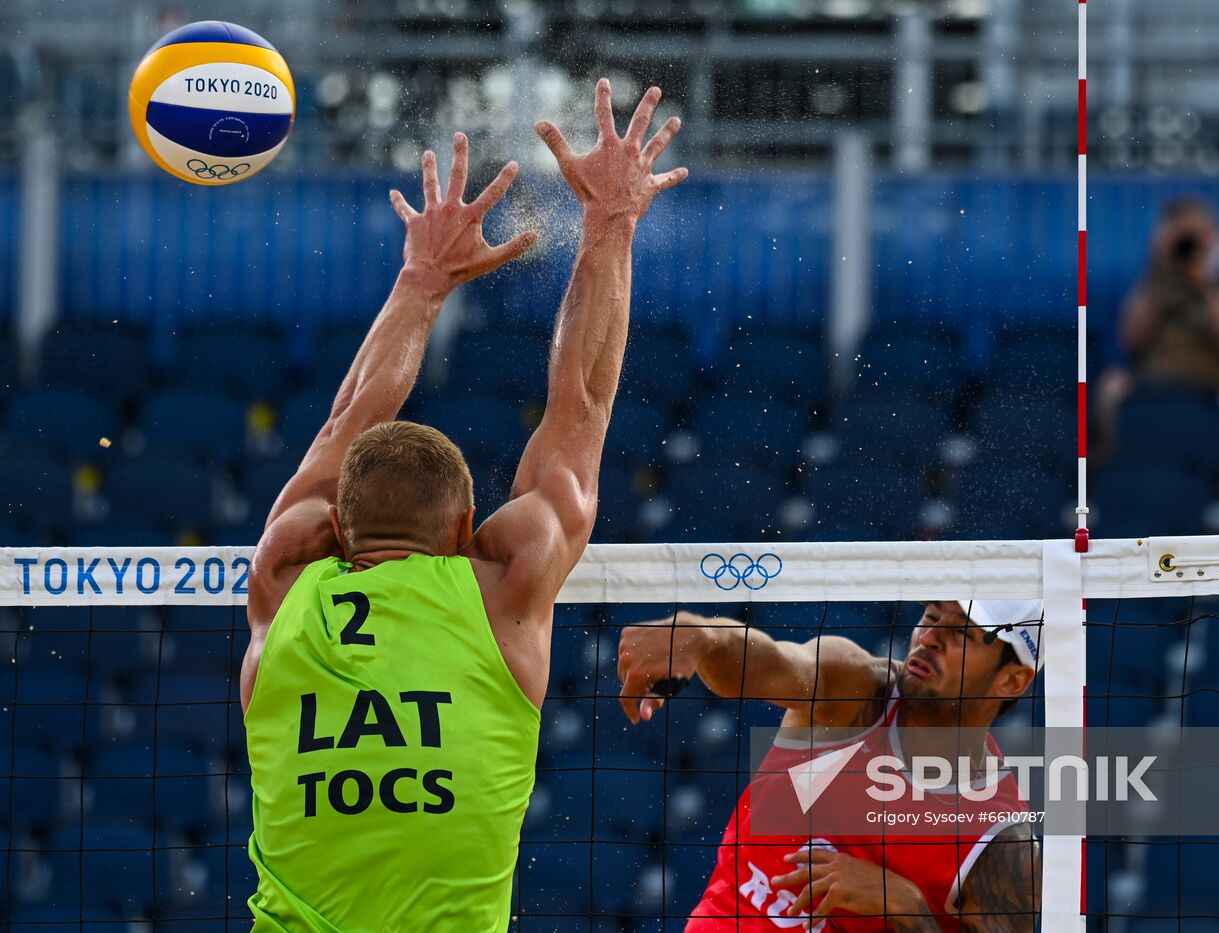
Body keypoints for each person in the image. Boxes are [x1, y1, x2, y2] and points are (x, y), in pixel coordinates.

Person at [241, 79, 686, 931]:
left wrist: (420, 282)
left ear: (337, 528)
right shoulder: (500, 588)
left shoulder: (286, 578)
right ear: (462, 531)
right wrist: (610, 221)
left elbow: (343, 423)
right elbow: (582, 409)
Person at [617, 599, 1043, 932]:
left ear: (1011, 681)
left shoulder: (1003, 844)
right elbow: (768, 665)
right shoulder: (856, 689)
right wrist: (702, 634)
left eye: (961, 633)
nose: (929, 637)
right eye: (931, 616)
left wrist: (908, 910)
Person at [1100, 197, 1219, 432]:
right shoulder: (1160, 275)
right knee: (1111, 387)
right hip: (1159, 383)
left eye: (1192, 234)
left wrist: (1202, 287)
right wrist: (1157, 272)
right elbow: (1130, 342)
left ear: (1215, 232)